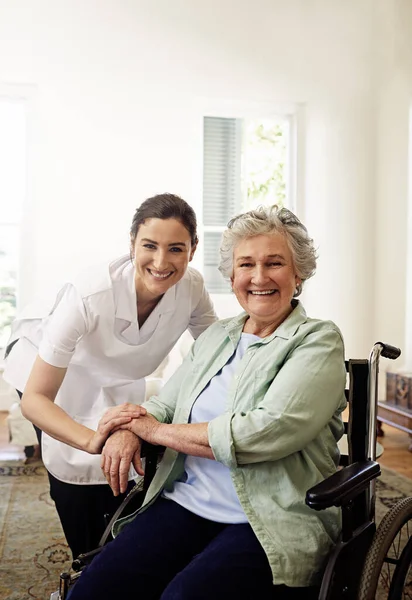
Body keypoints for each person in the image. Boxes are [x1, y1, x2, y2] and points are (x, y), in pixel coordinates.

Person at [70, 204, 347, 600]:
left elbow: (265, 432)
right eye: (246, 264)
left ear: (298, 274)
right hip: (187, 503)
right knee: (94, 590)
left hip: (270, 517)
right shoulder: (219, 336)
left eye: (275, 263)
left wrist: (154, 431)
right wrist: (130, 429)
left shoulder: (317, 340)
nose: (258, 277)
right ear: (232, 275)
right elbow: (165, 403)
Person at [2, 193, 217, 560]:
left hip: (114, 375)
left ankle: (114, 558)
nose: (161, 262)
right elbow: (35, 399)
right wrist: (90, 440)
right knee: (76, 473)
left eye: (176, 249)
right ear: (131, 243)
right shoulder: (90, 294)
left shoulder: (192, 288)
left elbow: (219, 351)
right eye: (149, 246)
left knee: (120, 476)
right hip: (48, 372)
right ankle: (84, 563)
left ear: (193, 249)